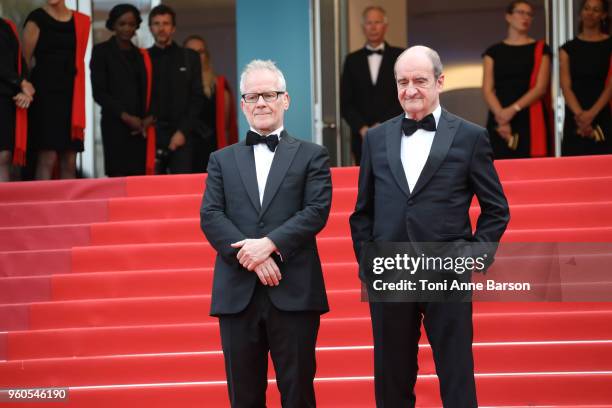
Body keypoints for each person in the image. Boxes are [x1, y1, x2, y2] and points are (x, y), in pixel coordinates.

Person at [349, 46, 510, 407]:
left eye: (419, 81)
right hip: (391, 273)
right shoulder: (376, 139)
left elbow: (496, 209)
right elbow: (363, 212)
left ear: (439, 81)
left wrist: (472, 258)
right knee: (392, 379)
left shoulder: (470, 137)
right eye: (402, 82)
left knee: (456, 375)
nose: (410, 90)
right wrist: (369, 264)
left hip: (447, 273)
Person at [200, 59, 332, 407]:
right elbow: (211, 215)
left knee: (298, 392)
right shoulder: (221, 160)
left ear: (285, 100)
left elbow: (316, 211)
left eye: (269, 94)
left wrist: (270, 245)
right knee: (243, 396)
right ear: (242, 104)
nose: (261, 102)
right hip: (236, 293)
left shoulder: (312, 156)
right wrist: (253, 258)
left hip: (295, 291)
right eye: (252, 96)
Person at [22, 0, 90, 179]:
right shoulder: (36, 18)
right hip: (44, 95)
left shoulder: (80, 21)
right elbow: (24, 62)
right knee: (47, 156)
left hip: (71, 96)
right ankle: (41, 207)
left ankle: (69, 207)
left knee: (69, 158)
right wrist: (24, 89)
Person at [482, 0, 552, 159]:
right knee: (498, 167)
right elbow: (487, 89)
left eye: (529, 14)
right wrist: (501, 116)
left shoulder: (541, 49)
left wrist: (512, 110)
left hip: (529, 114)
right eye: (521, 12)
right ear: (508, 16)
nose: (525, 17)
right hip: (499, 116)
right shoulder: (493, 52)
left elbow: (541, 88)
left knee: (532, 169)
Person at [90, 4, 153, 177]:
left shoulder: (141, 54)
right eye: (122, 24)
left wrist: (145, 120)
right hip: (115, 124)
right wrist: (125, 117)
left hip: (140, 128)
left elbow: (148, 89)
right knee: (117, 175)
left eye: (131, 24)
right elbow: (99, 92)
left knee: (139, 178)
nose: (127, 28)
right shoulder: (101, 52)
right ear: (113, 25)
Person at [341, 5, 404, 165]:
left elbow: (404, 96)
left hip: (394, 133)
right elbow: (346, 102)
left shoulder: (400, 57)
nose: (373, 27)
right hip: (361, 138)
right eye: (369, 23)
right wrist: (362, 128)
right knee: (364, 184)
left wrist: (383, 124)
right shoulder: (351, 60)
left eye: (377, 22)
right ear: (363, 27)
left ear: (385, 26)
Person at [147, 4, 204, 174]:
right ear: (150, 28)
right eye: (156, 24)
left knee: (182, 189)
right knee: (151, 191)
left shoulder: (189, 57)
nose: (161, 28)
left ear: (173, 28)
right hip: (152, 134)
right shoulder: (143, 57)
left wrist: (182, 132)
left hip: (183, 134)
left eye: (166, 23)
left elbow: (197, 97)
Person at [560, 0, 611, 156]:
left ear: (603, 15)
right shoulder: (567, 48)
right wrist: (581, 117)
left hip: (604, 112)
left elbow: (610, 85)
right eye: (587, 8)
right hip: (575, 115)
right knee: (572, 167)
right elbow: (565, 86)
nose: (590, 13)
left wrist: (591, 115)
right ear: (581, 13)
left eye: (596, 10)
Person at [183, 34, 238, 172]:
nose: (195, 56)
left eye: (200, 52)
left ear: (206, 55)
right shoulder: (175, 86)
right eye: (191, 52)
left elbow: (225, 126)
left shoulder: (218, 86)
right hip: (183, 151)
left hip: (210, 151)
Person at [0, 17, 34, 181]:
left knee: (4, 157)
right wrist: (21, 82)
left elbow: (20, 61)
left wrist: (24, 89)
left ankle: (3, 206)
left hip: (5, 98)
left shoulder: (6, 26)